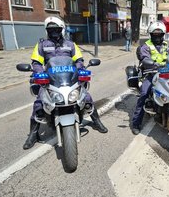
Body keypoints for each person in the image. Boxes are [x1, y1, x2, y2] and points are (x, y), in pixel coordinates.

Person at [23, 16, 108, 150]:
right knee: (39, 103)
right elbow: (36, 63)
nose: (54, 32)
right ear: (47, 31)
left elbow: (79, 60)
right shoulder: (41, 45)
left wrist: (80, 70)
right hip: (50, 80)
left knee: (86, 97)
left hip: (69, 79)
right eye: (51, 30)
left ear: (61, 30)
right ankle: (33, 134)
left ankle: (96, 121)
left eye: (56, 29)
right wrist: (39, 73)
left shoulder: (70, 45)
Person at [131, 21, 168, 135]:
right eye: (154, 35)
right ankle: (136, 123)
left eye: (159, 35)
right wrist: (153, 63)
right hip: (151, 74)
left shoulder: (168, 45)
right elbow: (144, 58)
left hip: (167, 73)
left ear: (163, 35)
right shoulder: (145, 46)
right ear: (150, 35)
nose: (157, 37)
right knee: (143, 94)